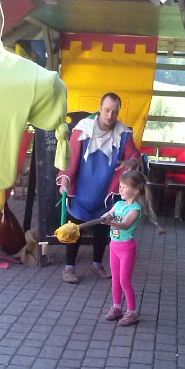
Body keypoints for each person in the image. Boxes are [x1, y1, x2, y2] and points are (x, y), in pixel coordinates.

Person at [57, 93, 142, 284]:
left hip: (106, 192)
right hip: (81, 190)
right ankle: (69, 268)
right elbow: (70, 157)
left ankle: (97, 264)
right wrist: (65, 181)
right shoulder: (83, 128)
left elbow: (134, 155)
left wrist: (132, 161)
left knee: (103, 228)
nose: (110, 115)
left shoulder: (123, 134)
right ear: (100, 109)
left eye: (115, 111)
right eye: (107, 110)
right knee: (74, 229)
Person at [101, 170, 148, 326]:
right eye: (120, 186)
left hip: (126, 248)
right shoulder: (118, 204)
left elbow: (125, 225)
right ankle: (117, 307)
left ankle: (132, 312)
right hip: (114, 246)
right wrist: (106, 216)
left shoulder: (135, 209)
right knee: (115, 279)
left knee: (124, 281)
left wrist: (110, 222)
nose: (119, 190)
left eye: (124, 187)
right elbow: (109, 213)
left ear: (135, 190)